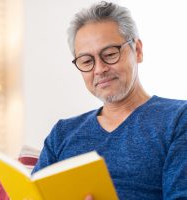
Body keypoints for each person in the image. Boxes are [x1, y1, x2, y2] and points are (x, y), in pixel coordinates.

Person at [32, 1, 187, 200]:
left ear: (137, 50)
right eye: (87, 61)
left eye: (110, 54)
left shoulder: (177, 119)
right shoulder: (62, 133)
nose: (99, 69)